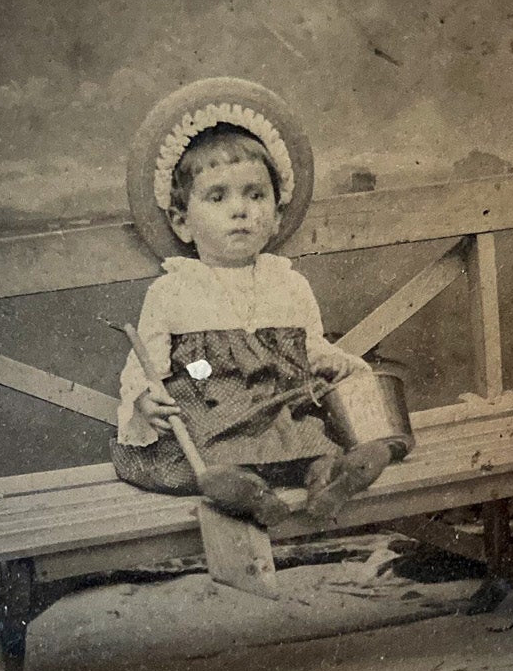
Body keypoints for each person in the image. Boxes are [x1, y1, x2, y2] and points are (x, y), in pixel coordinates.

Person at [113, 117, 403, 527]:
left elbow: (309, 345)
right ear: (182, 222)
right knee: (200, 455)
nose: (240, 210)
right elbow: (146, 363)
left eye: (256, 195)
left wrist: (329, 360)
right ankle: (246, 490)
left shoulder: (288, 284)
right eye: (217, 197)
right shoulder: (173, 290)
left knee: (312, 436)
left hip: (279, 409)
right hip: (211, 415)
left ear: (277, 216)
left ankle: (328, 477)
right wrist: (144, 399)